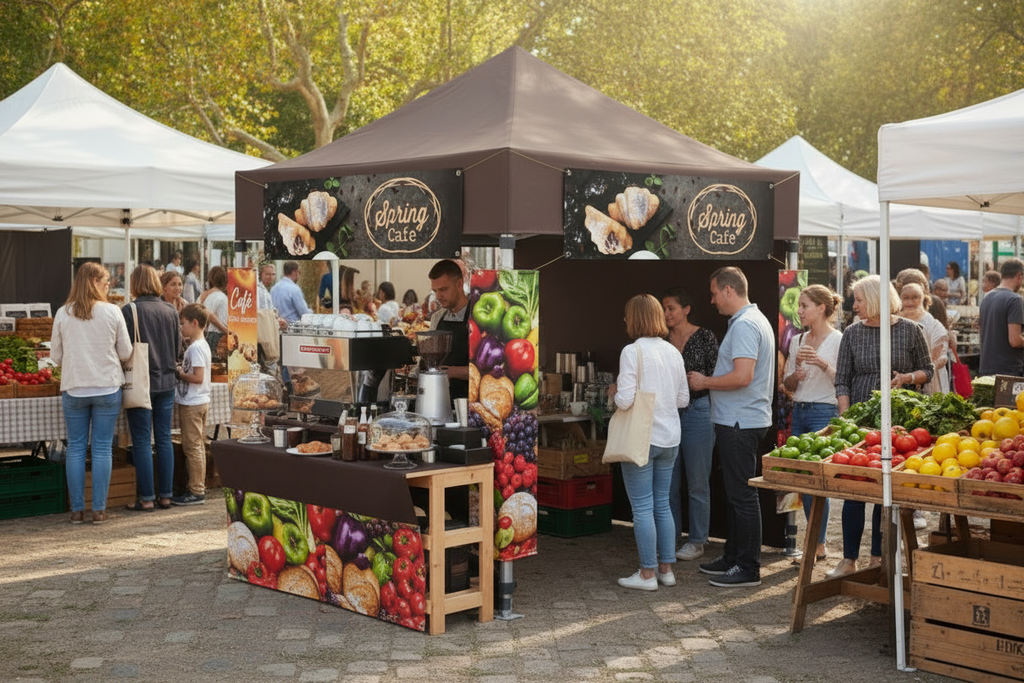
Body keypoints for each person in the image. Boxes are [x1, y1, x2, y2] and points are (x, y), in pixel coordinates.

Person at [831, 275, 934, 577]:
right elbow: (842, 380)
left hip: (898, 423)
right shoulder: (851, 333)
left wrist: (906, 378)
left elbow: (927, 370)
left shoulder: (910, 330)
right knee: (853, 488)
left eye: (859, 300)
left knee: (885, 490)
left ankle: (879, 557)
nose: (854, 306)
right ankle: (849, 559)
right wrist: (846, 418)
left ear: (875, 299)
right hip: (860, 421)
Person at [687, 267, 775, 588]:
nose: (711, 301)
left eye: (713, 293)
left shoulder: (746, 325)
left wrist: (704, 381)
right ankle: (734, 556)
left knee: (742, 496)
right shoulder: (750, 321)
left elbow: (743, 376)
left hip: (740, 421)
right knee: (737, 493)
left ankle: (748, 567)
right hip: (740, 419)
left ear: (728, 290)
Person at [609, 294, 689, 590]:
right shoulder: (673, 352)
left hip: (642, 439)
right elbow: (683, 398)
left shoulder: (632, 351)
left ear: (634, 319)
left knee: (642, 508)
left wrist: (614, 393)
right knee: (662, 505)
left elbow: (625, 399)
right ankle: (666, 570)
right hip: (670, 437)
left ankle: (646, 574)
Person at [51, 263, 132, 524]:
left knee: (75, 448)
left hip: (75, 386)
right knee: (101, 448)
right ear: (95, 281)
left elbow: (55, 355)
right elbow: (125, 352)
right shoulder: (112, 312)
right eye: (106, 281)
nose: (109, 285)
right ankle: (99, 509)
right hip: (107, 385)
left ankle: (77, 510)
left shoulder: (64, 313)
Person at [782, 285, 843, 561]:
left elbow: (842, 381)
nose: (799, 311)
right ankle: (815, 543)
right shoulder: (797, 340)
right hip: (801, 410)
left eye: (805, 305)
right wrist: (795, 375)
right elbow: (787, 384)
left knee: (818, 481)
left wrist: (820, 363)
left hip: (824, 410)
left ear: (821, 308)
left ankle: (817, 544)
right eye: (799, 306)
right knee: (804, 480)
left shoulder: (839, 340)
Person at [662, 288, 718, 562]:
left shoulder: (705, 337)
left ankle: (697, 540)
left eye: (671, 307)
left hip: (698, 410)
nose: (666, 314)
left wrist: (702, 382)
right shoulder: (660, 339)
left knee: (697, 481)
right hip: (668, 414)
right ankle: (670, 538)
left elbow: (717, 374)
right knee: (669, 482)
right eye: (663, 309)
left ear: (686, 309)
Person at [122, 265, 182, 512]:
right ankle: (166, 496)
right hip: (167, 380)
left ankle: (147, 498)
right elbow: (178, 347)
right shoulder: (170, 309)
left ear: (135, 283)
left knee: (142, 440)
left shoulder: (130, 310)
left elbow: (123, 349)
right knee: (164, 438)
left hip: (141, 382)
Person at [173, 304, 213, 506]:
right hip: (197, 401)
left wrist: (179, 373)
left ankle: (196, 490)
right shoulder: (199, 346)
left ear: (195, 323)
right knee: (195, 445)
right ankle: (196, 488)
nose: (181, 328)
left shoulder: (196, 348)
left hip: (193, 403)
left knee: (193, 447)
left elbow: (198, 377)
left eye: (183, 324)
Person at [428, 260, 470, 399]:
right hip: (441, 398)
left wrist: (454, 372)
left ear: (459, 284)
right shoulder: (437, 318)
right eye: (435, 291)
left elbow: (488, 371)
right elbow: (430, 357)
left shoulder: (477, 317)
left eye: (443, 289)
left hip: (471, 403)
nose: (438, 296)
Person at [899, 283, 949, 395]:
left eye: (914, 297)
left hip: (928, 384)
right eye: (906, 298)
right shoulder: (893, 321)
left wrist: (920, 375)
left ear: (923, 299)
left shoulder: (933, 324)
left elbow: (941, 357)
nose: (910, 302)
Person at [979, 258, 1024, 377]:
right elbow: (1014, 340)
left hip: (986, 368)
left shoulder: (987, 298)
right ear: (1019, 276)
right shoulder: (1015, 300)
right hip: (1008, 371)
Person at [256, 263, 288, 367]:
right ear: (261, 275)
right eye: (268, 274)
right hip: (262, 336)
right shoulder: (260, 292)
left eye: (273, 274)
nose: (271, 277)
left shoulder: (265, 290)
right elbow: (264, 315)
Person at [199, 265, 232, 351]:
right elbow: (209, 314)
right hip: (220, 335)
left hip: (207, 334)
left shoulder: (203, 295)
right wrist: (225, 330)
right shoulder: (222, 297)